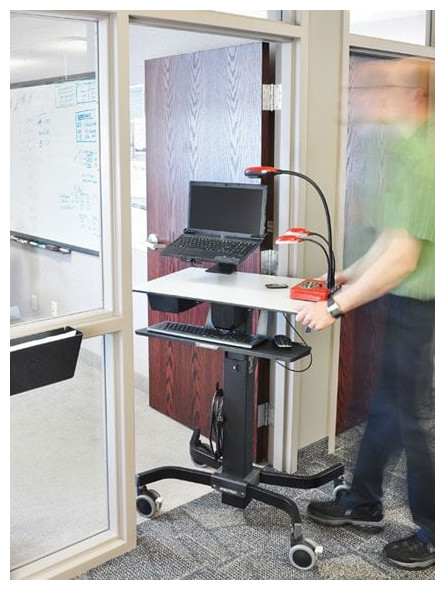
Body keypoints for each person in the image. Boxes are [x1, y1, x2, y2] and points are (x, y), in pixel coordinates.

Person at [294, 57, 435, 570]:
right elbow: (393, 239)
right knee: (389, 406)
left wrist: (336, 306)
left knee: (412, 418)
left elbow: (403, 259)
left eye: (378, 89)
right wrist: (347, 275)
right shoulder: (403, 148)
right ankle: (365, 500)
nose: (363, 99)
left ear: (415, 97)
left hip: (424, 305)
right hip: (406, 300)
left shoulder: (426, 157)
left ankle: (434, 531)